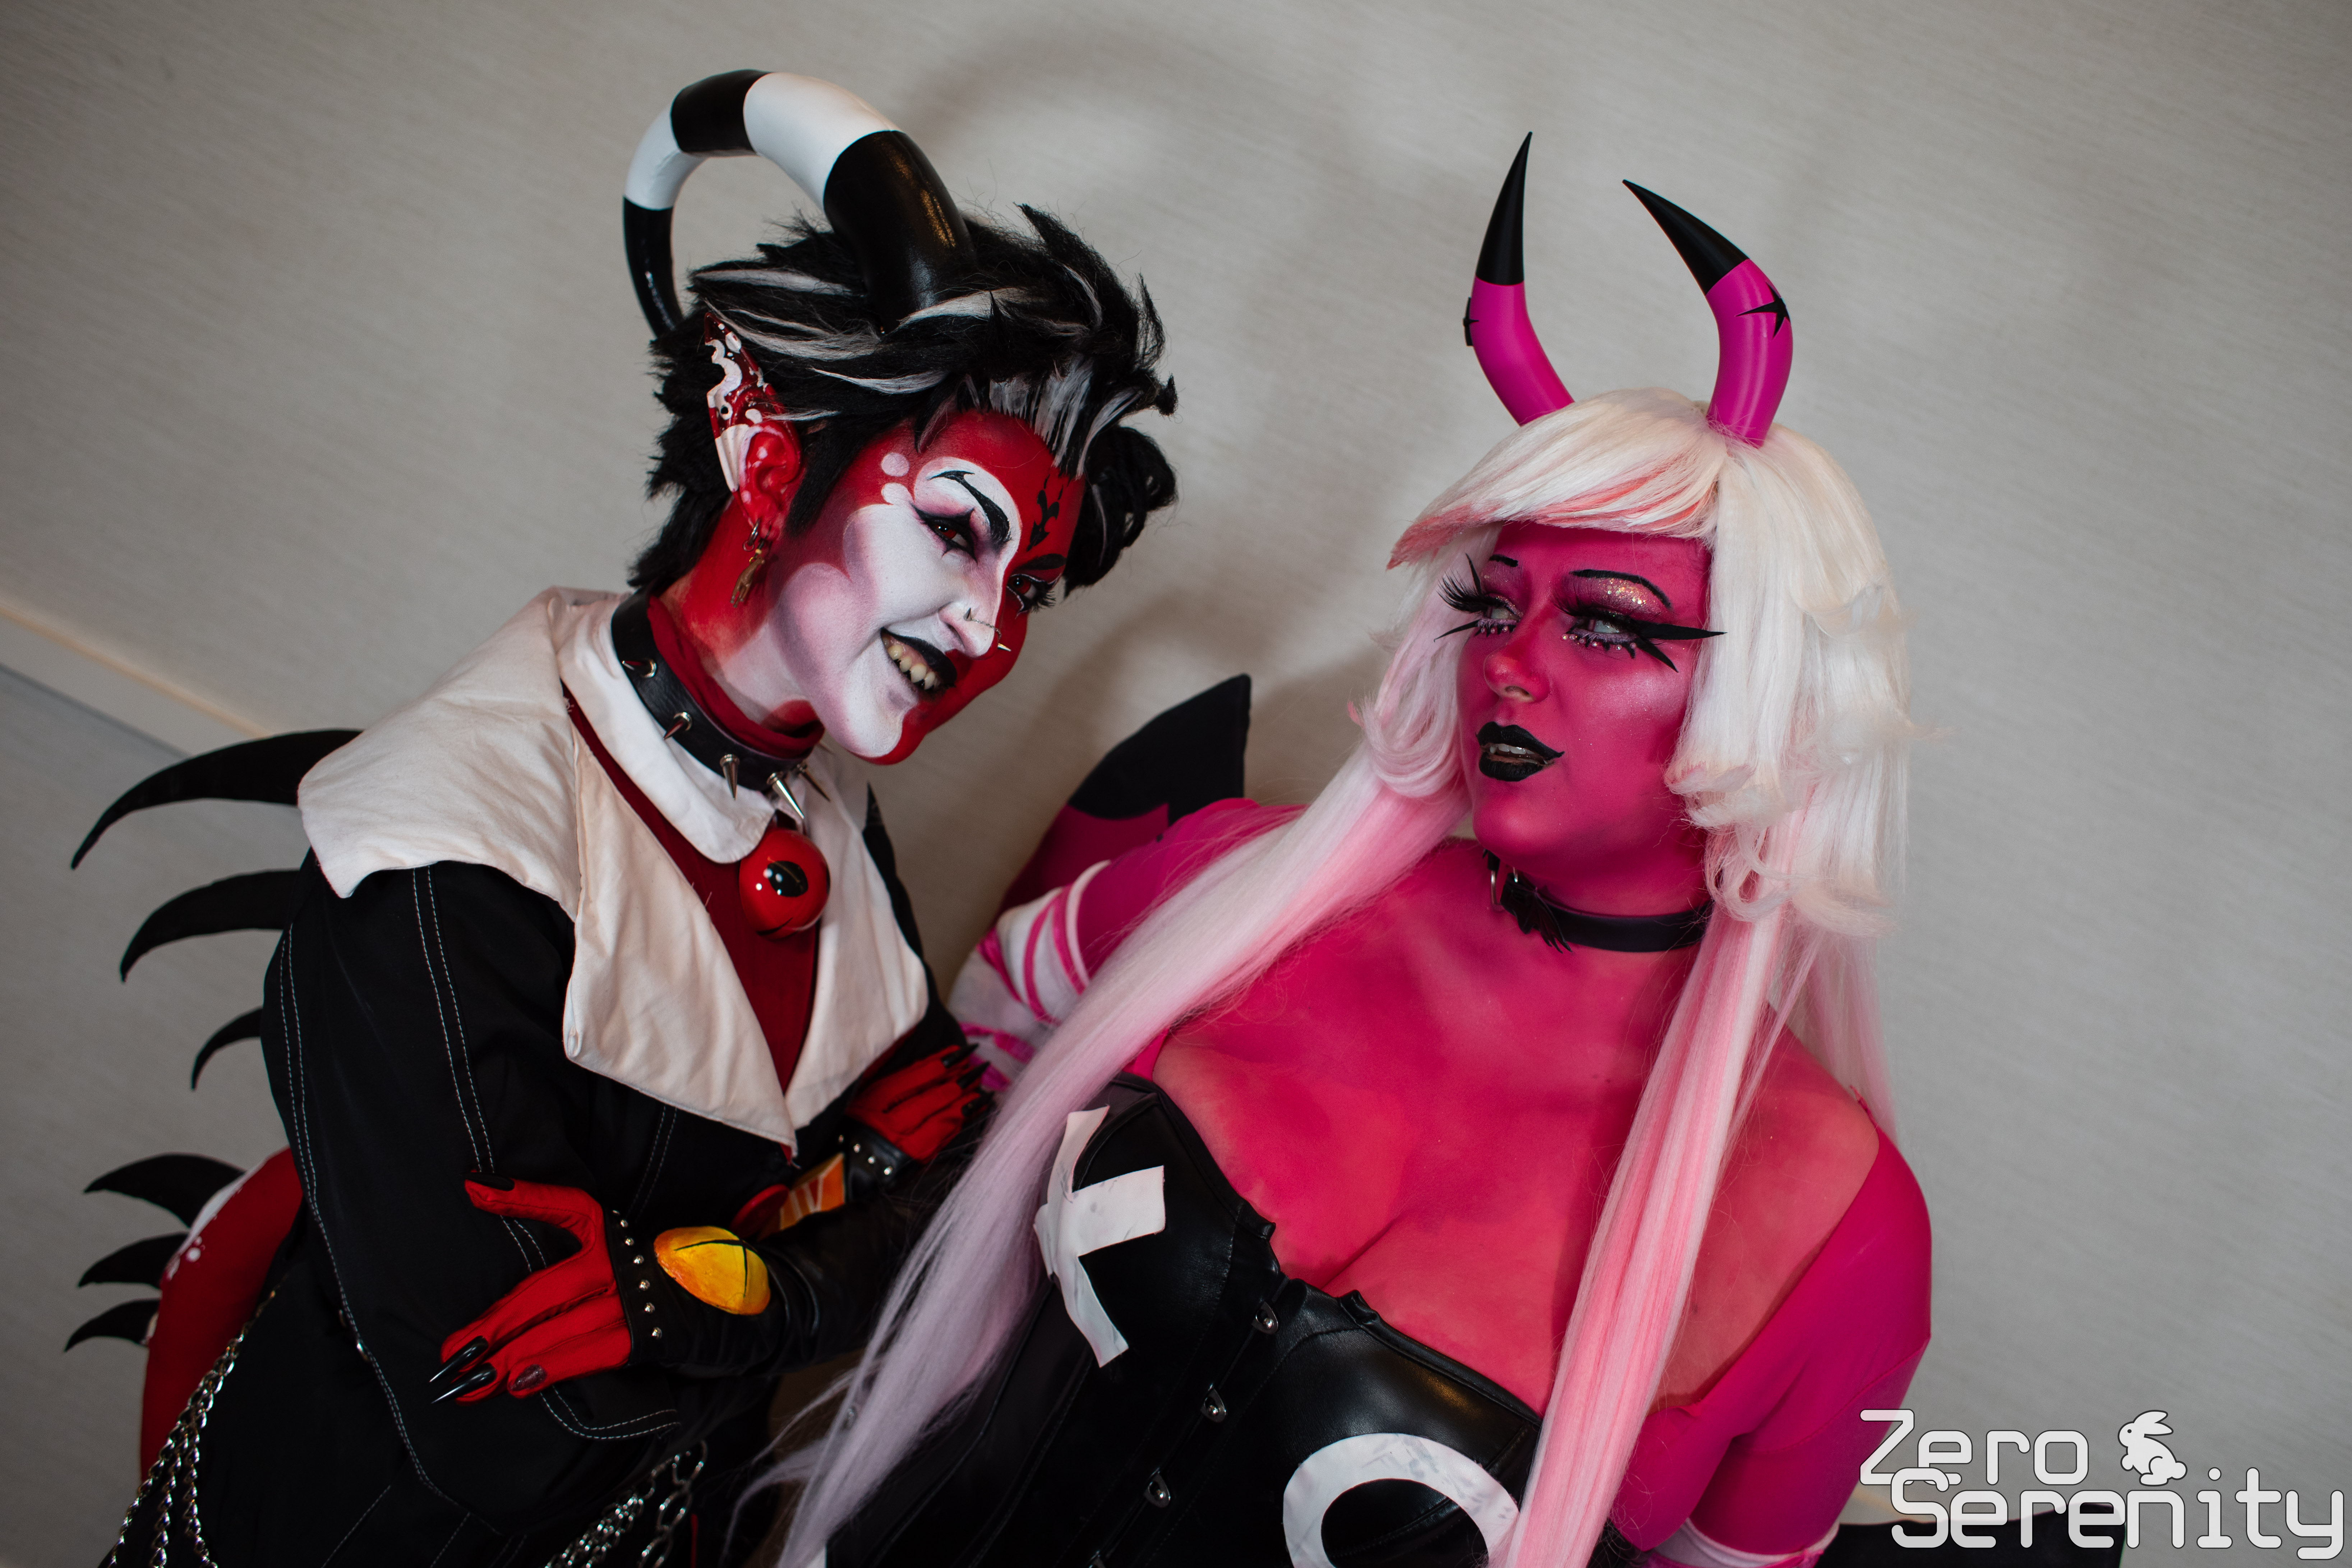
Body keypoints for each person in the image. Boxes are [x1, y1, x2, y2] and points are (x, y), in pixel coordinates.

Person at [774, 144, 1928, 1568]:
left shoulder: (1842, 1232)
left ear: (1778, 699)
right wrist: (784, 1275)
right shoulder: (1240, 889)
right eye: (1492, 603)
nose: (1511, 663)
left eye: (1609, 624)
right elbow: (986, 1035)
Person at [95, 70, 1178, 1566]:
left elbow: (950, 1197)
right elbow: (511, 1426)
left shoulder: (821, 800)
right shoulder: (450, 846)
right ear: (763, 445)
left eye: (1030, 593)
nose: (989, 631)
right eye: (956, 529)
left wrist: (697, 1286)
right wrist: (814, 1218)